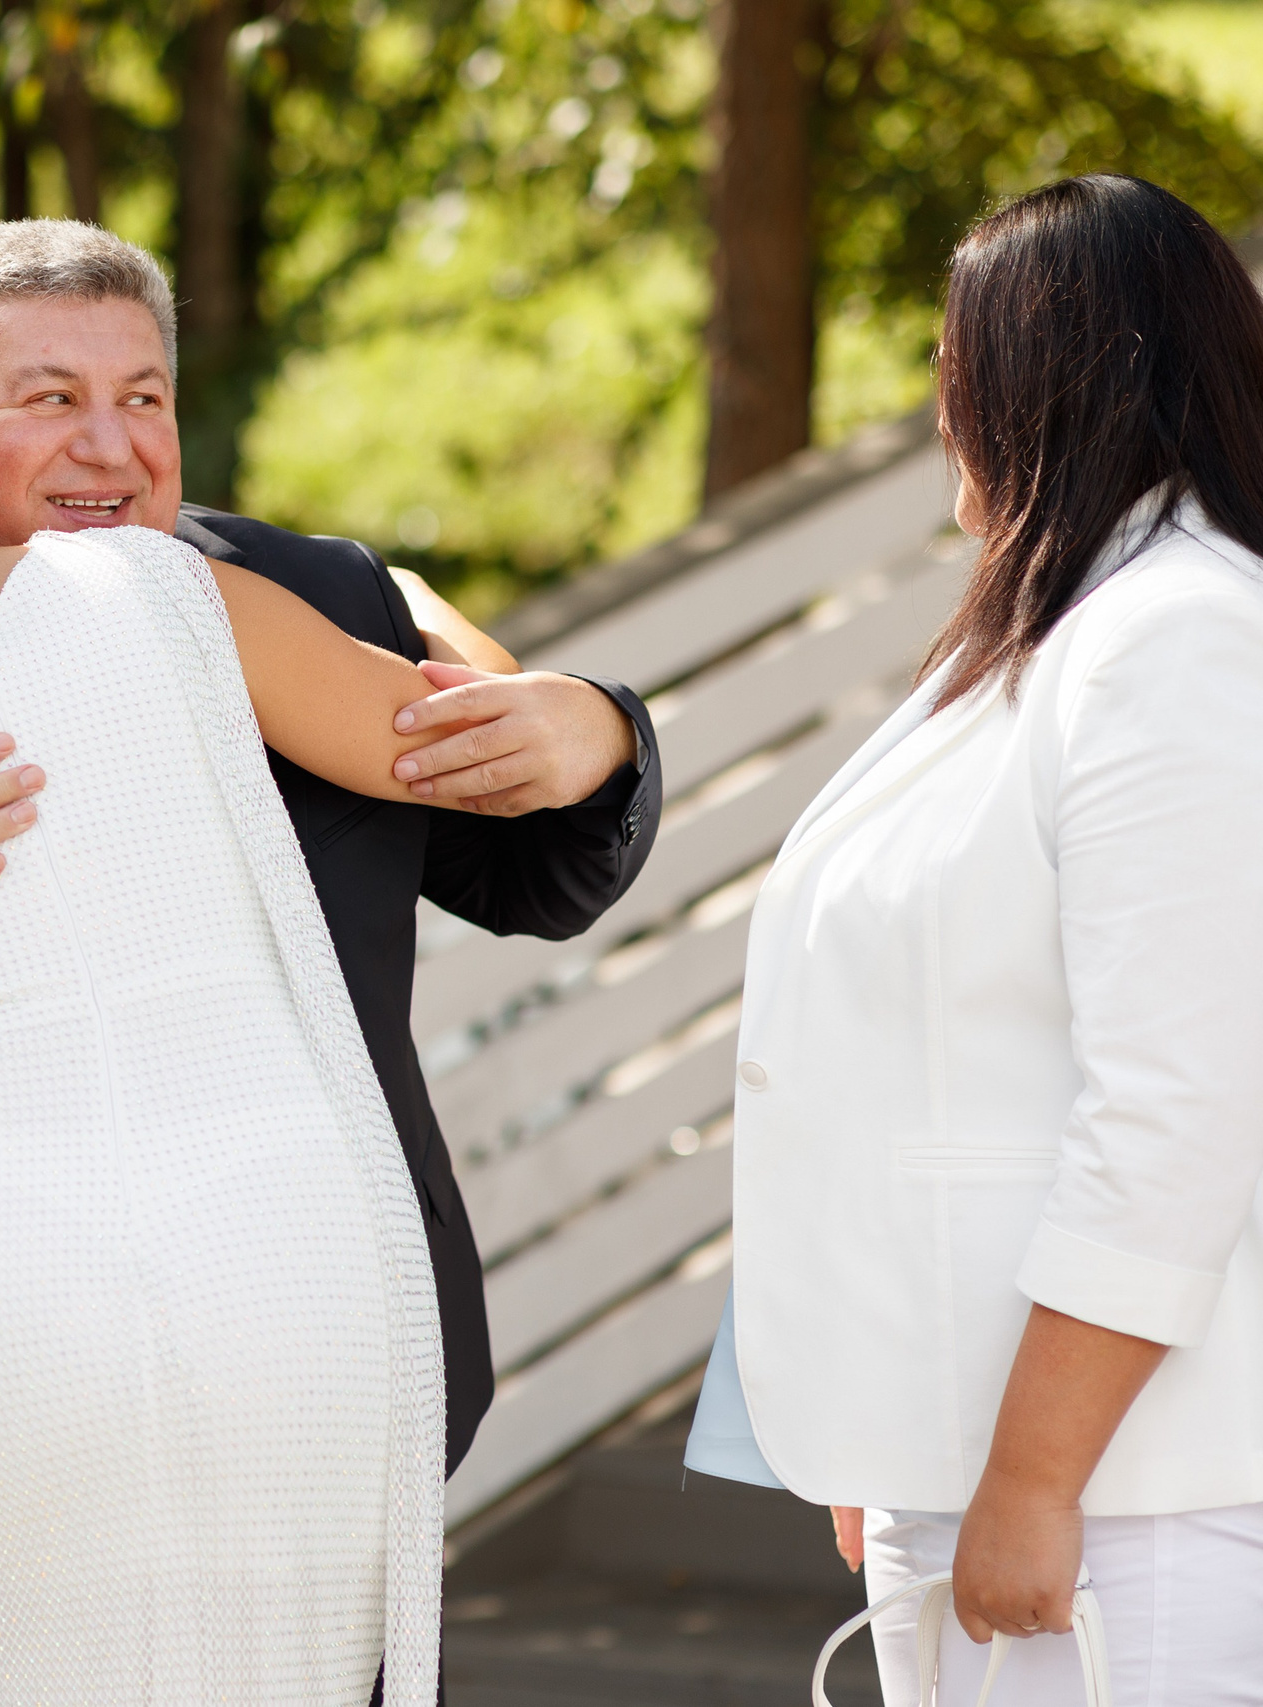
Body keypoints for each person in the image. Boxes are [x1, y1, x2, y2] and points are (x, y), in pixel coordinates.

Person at [0, 224, 663, 1647]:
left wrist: (595, 721)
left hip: (307, 1319)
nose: (111, 448)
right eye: (51, 399)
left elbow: (538, 868)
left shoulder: (299, 598)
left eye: (145, 398)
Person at [685, 174, 1263, 1704]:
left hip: (1126, 1500)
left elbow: (1180, 1108)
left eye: (956, 361)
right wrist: (883, 1428)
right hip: (982, 1467)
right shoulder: (1060, 628)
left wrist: (1030, 1475)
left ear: (1025, 377)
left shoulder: (1179, 639)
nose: (942, 404)